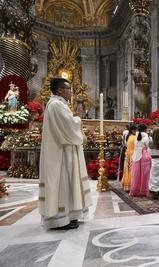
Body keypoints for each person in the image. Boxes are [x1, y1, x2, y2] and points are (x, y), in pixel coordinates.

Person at [39, 78, 92, 230]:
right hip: (61, 153)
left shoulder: (58, 104)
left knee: (66, 184)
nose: (71, 92)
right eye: (68, 89)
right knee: (62, 183)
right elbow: (69, 126)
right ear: (59, 90)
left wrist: (73, 116)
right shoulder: (56, 104)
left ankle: (68, 216)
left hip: (62, 150)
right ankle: (60, 220)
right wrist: (77, 118)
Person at [130, 124, 152, 197]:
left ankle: (136, 190)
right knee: (145, 174)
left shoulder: (136, 137)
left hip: (136, 156)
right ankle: (144, 190)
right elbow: (149, 148)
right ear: (145, 130)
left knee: (136, 174)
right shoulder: (146, 137)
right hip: (144, 156)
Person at [121, 124, 137, 191]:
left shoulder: (129, 136)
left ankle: (126, 185)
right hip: (132, 155)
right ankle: (131, 185)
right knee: (132, 170)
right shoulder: (134, 137)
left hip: (128, 154)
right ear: (133, 130)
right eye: (136, 130)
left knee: (127, 170)